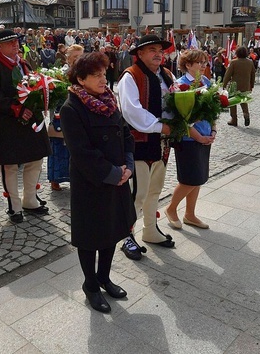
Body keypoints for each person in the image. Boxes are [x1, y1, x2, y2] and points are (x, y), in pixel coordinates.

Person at [60, 52, 135, 313]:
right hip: (92, 183)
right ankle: (90, 284)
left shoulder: (108, 100)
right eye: (96, 75)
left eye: (104, 73)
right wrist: (114, 174)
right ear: (81, 79)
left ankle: (104, 277)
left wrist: (128, 164)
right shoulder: (71, 108)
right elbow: (81, 152)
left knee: (112, 231)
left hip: (118, 177)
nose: (104, 79)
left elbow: (125, 133)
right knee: (90, 237)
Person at [0, 29, 51, 223]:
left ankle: (30, 199)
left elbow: (35, 85)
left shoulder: (24, 63)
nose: (15, 45)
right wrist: (15, 108)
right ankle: (15, 205)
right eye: (10, 42)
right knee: (10, 165)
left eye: (16, 41)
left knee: (35, 159)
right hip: (6, 122)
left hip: (30, 121)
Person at [116, 34, 175, 260]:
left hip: (162, 143)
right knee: (137, 193)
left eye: (160, 49)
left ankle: (150, 229)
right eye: (152, 49)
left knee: (155, 190)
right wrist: (160, 126)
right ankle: (126, 234)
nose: (158, 53)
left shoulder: (167, 75)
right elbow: (132, 111)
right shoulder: (131, 76)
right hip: (138, 142)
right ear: (139, 53)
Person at [165, 49, 216, 230]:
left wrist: (213, 131)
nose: (203, 66)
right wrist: (199, 137)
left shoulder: (207, 82)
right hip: (188, 139)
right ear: (187, 65)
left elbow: (213, 110)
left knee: (199, 177)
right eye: (199, 63)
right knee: (189, 178)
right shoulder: (180, 85)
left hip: (204, 136)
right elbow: (182, 119)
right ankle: (171, 208)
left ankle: (190, 214)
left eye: (205, 62)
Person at [47, 44, 83, 191]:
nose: (77, 60)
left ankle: (77, 177)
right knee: (58, 147)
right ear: (67, 58)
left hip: (79, 115)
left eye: (80, 57)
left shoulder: (85, 73)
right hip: (61, 114)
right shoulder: (60, 74)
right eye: (74, 57)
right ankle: (55, 179)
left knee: (76, 147)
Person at [222, 46, 255, 127]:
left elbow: (228, 75)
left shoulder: (234, 62)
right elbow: (253, 74)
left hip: (234, 86)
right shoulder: (250, 62)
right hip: (246, 85)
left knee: (233, 102)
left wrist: (224, 84)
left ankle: (234, 119)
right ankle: (246, 114)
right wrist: (251, 85)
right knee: (243, 101)